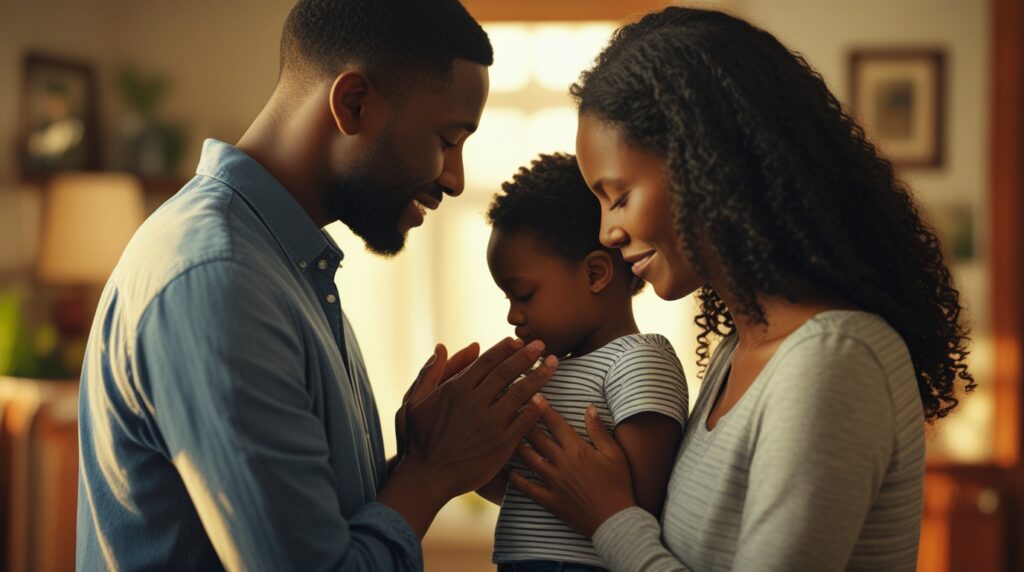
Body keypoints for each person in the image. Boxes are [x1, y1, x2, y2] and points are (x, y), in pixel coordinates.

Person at [76, 1, 556, 570]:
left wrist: (413, 464)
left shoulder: (284, 266)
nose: (455, 179)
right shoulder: (222, 279)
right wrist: (431, 476)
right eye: (448, 140)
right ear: (352, 104)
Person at [508, 7, 975, 572]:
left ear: (707, 163)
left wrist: (610, 519)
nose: (608, 231)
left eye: (620, 195)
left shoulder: (834, 358)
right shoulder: (738, 350)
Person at [480, 153, 689, 571]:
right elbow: (529, 491)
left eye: (523, 295)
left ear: (595, 274)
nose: (513, 316)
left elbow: (641, 507)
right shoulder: (547, 373)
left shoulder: (638, 359)